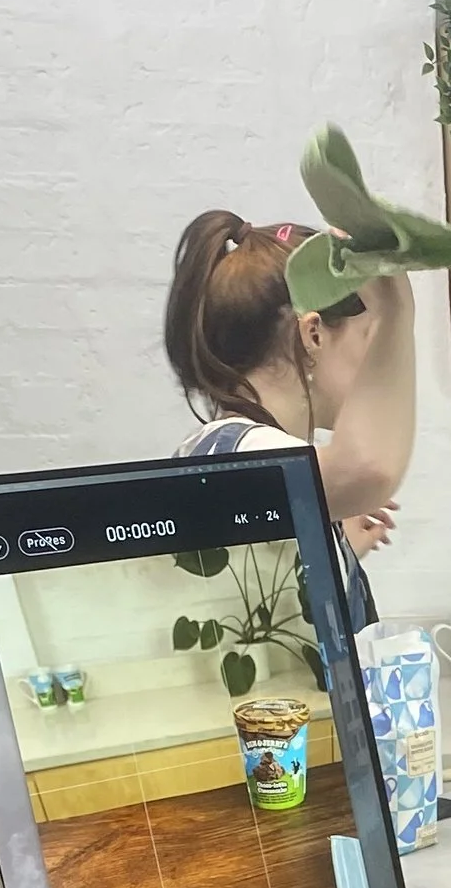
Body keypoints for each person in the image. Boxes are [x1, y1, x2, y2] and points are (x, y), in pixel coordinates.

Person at [162, 211, 418, 625]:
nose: (377, 365)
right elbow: (369, 468)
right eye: (368, 339)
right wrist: (396, 312)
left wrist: (333, 547)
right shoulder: (243, 452)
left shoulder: (221, 448)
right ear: (312, 335)